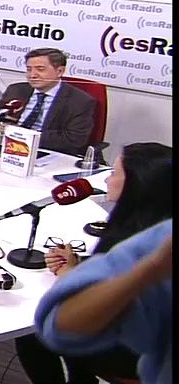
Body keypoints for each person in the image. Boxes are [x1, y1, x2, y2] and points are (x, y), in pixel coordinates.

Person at [15, 142, 172, 384]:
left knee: (33, 330)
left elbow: (71, 321)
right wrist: (79, 266)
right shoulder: (155, 225)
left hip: (129, 353)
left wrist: (69, 274)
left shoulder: (146, 244)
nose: (107, 179)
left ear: (137, 184)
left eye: (114, 173)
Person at [34, 220, 172, 384]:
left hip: (128, 357)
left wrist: (70, 274)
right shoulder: (161, 237)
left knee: (33, 338)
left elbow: (62, 326)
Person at [0, 48, 96, 156]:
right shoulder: (16, 90)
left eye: (40, 69)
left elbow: (74, 139)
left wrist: (21, 135)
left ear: (59, 71)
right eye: (29, 69)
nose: (32, 75)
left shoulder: (80, 101)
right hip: (9, 148)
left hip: (48, 153)